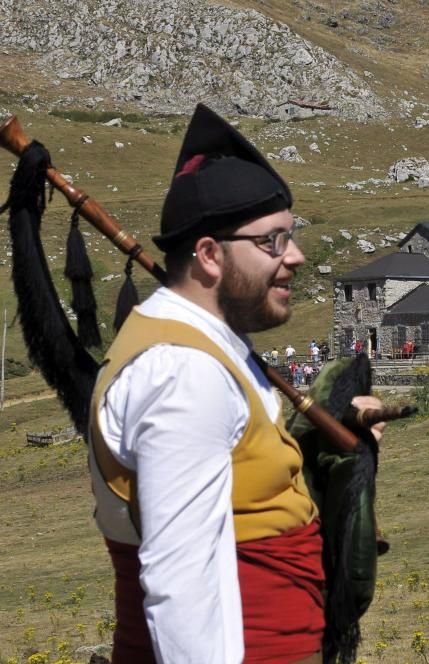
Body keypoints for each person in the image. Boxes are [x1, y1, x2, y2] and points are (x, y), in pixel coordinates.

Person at [88, 104, 385, 664]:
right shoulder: (183, 372)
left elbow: (243, 473)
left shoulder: (208, 348)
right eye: (273, 241)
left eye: (291, 238)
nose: (295, 258)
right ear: (208, 255)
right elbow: (182, 582)